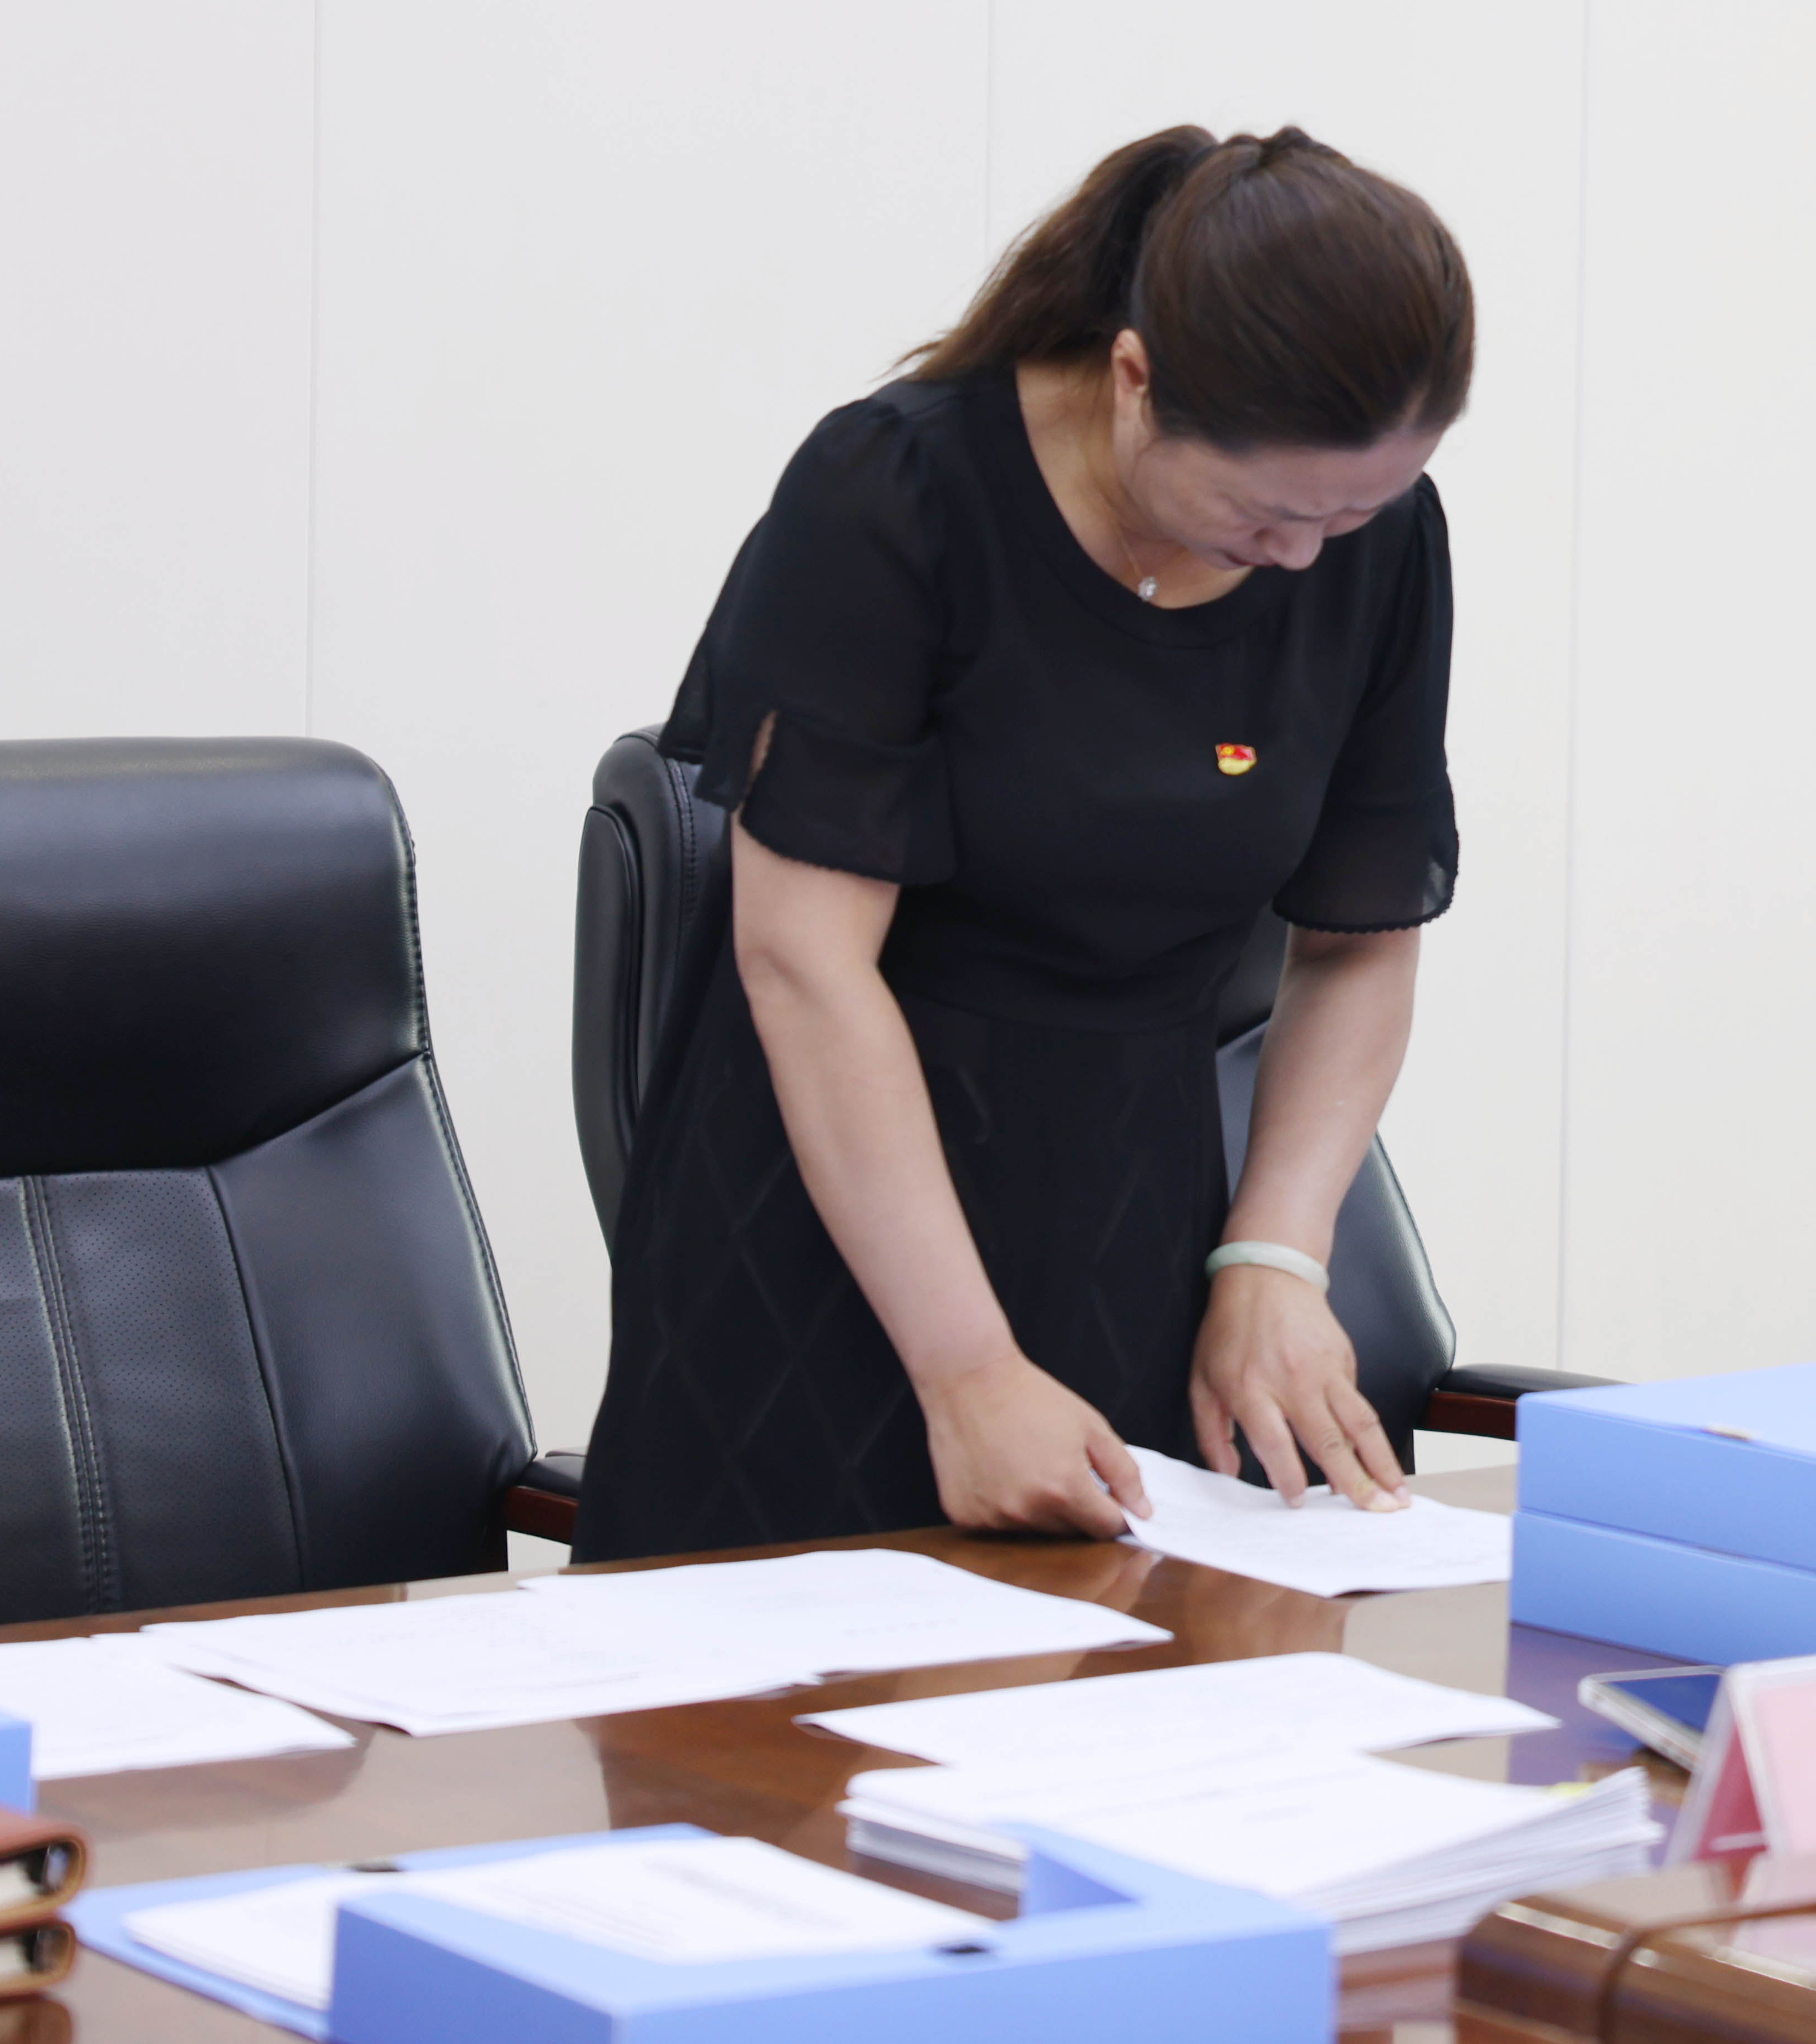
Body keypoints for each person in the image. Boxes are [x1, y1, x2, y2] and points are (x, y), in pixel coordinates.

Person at [576, 125, 1470, 1561]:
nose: (1309, 557)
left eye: (1353, 512)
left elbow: (1360, 940)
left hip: (1131, 1209)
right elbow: (804, 961)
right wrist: (967, 1370)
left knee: (1134, 1664)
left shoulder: (1376, 541)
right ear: (1135, 378)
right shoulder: (896, 495)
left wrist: (1273, 1257)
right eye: (1269, 513)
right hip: (840, 1234)